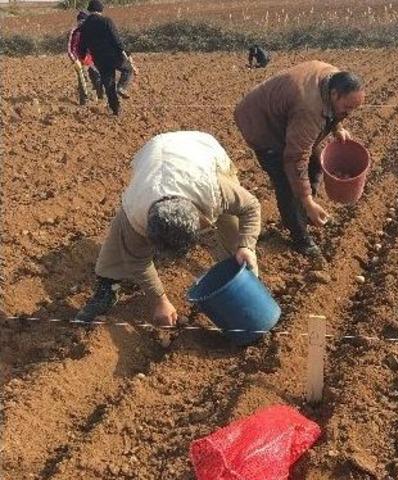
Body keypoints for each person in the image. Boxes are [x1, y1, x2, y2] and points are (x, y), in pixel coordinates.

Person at [75, 131, 262, 326]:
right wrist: (160, 300)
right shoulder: (135, 211)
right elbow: (138, 261)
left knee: (234, 230)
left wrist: (246, 246)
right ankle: (108, 285)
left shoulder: (214, 189)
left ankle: (246, 281)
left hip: (200, 150)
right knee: (121, 237)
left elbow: (251, 207)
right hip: (155, 154)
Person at [234, 61, 365, 257]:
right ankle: (300, 237)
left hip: (287, 116)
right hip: (262, 124)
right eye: (347, 107)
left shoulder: (334, 80)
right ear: (334, 94)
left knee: (315, 166)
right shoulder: (309, 108)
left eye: (353, 108)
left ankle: (302, 213)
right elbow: (295, 158)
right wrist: (307, 199)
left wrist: (338, 127)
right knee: (287, 183)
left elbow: (335, 112)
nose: (349, 112)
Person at [76, 0, 137, 115]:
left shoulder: (84, 26)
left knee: (108, 84)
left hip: (99, 59)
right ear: (100, 10)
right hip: (114, 55)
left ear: (89, 10)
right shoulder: (106, 21)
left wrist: (83, 57)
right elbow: (116, 40)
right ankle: (121, 87)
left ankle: (116, 110)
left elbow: (81, 45)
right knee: (127, 69)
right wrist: (125, 53)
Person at [67, 10, 103, 105]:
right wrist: (75, 61)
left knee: (97, 77)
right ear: (78, 21)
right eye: (81, 21)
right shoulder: (74, 32)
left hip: (90, 59)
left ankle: (100, 95)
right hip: (78, 60)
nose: (82, 23)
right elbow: (70, 48)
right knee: (83, 81)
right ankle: (84, 101)